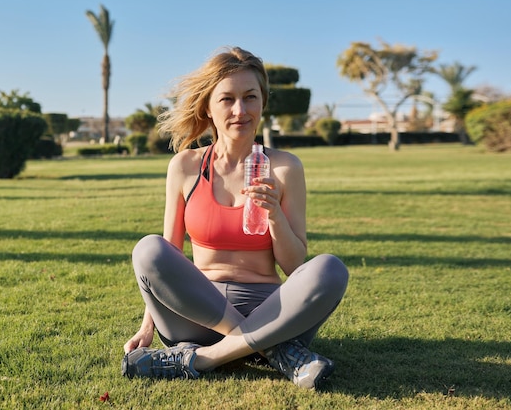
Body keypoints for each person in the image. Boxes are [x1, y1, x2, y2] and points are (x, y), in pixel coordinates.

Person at [121, 46, 349, 391]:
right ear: (208, 108)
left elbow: (294, 264)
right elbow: (166, 257)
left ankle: (202, 358)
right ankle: (276, 350)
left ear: (263, 103)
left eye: (250, 97)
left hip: (271, 311)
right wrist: (147, 326)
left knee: (330, 269)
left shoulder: (286, 168)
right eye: (227, 99)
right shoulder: (184, 167)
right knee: (148, 249)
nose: (240, 110)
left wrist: (274, 215)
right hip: (194, 313)